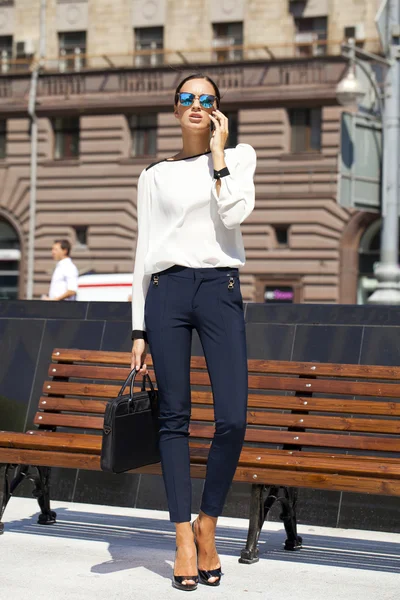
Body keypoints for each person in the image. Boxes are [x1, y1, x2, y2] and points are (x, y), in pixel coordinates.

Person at [131, 73, 256, 591]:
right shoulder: (154, 174)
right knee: (174, 418)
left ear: (219, 110)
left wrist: (220, 155)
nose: (197, 105)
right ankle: (183, 535)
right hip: (166, 293)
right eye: (187, 98)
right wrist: (137, 326)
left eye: (207, 99)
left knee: (233, 417)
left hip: (220, 289)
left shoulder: (239, 157)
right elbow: (143, 250)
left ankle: (210, 521)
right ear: (174, 108)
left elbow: (236, 211)